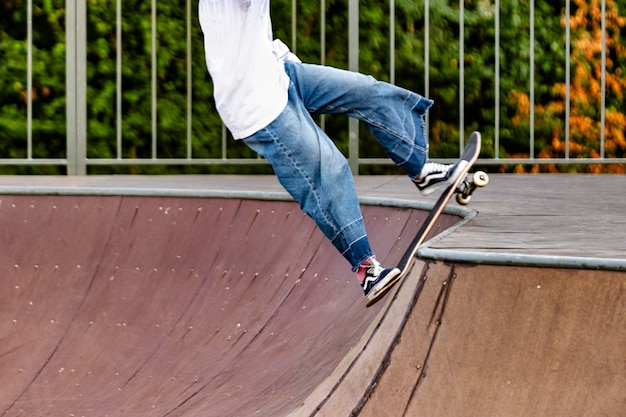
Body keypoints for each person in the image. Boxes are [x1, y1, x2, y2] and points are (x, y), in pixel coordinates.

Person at [198, 0, 465, 302]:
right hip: (255, 102)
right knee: (329, 170)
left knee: (368, 91)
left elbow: (254, 27)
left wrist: (285, 58)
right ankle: (367, 270)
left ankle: (419, 169)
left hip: (279, 71)